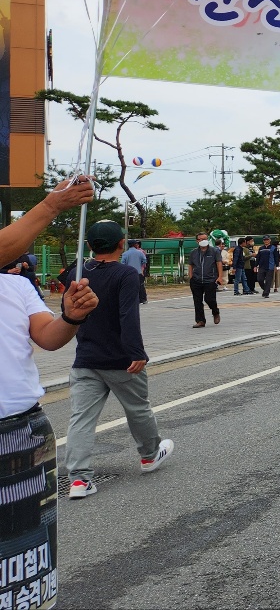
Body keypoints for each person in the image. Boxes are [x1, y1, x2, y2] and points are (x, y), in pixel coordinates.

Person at [0, 175, 99, 609]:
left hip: (24, 432)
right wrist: (52, 204)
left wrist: (71, 318)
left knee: (25, 559)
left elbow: (50, 337)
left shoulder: (17, 286)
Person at [61, 220, 174, 498]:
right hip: (120, 358)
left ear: (89, 245)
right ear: (122, 244)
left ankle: (78, 479)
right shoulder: (126, 274)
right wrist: (136, 351)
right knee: (137, 409)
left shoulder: (76, 274)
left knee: (81, 419)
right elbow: (128, 315)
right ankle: (149, 455)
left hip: (85, 357)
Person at [188, 231, 223, 328]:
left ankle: (215, 312)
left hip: (210, 279)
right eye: (201, 239)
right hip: (196, 280)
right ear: (197, 241)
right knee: (197, 301)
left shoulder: (214, 251)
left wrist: (219, 277)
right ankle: (200, 320)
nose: (204, 241)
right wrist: (191, 277)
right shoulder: (193, 252)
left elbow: (219, 263)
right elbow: (190, 265)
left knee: (209, 299)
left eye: (205, 239)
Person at [121, 239, 148, 304]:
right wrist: (141, 267)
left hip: (128, 273)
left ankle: (132, 299)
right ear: (135, 245)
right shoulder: (140, 252)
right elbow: (144, 261)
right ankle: (143, 299)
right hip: (138, 272)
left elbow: (123, 263)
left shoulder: (125, 254)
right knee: (140, 285)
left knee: (129, 286)